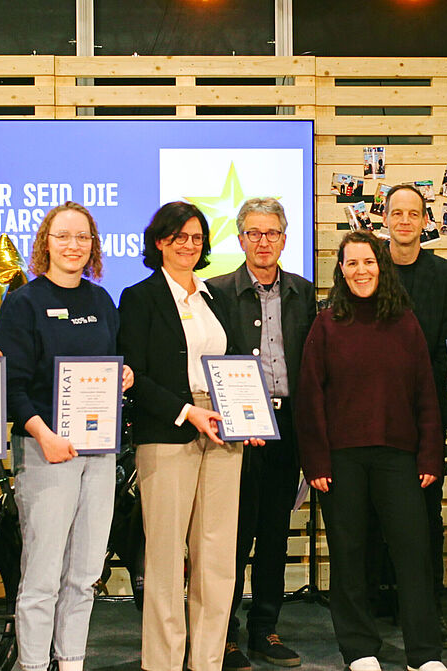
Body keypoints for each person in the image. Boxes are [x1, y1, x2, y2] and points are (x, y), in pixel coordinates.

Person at [119, 201, 262, 671]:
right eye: (179, 237)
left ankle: (207, 661)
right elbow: (134, 374)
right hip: (168, 431)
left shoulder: (214, 297)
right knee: (164, 557)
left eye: (197, 238)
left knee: (218, 555)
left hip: (221, 430)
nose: (189, 245)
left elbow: (235, 362)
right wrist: (186, 412)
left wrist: (247, 418)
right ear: (160, 241)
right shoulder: (139, 297)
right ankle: (162, 662)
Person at [297, 230, 447, 671]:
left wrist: (430, 455)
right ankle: (360, 649)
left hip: (398, 456)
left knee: (413, 553)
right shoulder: (326, 324)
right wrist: (316, 461)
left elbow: (426, 393)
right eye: (352, 263)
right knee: (349, 555)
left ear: (381, 267)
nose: (361, 271)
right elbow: (310, 397)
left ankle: (424, 653)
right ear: (341, 271)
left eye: (368, 262)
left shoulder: (405, 322)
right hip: (341, 460)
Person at [0, 202, 134, 671]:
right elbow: (12, 386)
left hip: (99, 453)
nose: (73, 245)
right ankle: (34, 665)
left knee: (85, 573)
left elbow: (113, 363)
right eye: (63, 237)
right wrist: (44, 435)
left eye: (82, 237)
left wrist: (125, 375)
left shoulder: (101, 302)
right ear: (45, 244)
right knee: (42, 575)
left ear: (93, 245)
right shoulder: (23, 303)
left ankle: (70, 661)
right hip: (45, 452)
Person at [206, 198, 317, 671]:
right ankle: (224, 635)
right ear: (240, 240)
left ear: (284, 240)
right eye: (254, 233)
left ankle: (264, 629)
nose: (263, 241)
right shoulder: (216, 292)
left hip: (287, 427)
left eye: (272, 233)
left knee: (274, 534)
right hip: (235, 429)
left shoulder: (303, 293)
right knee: (232, 536)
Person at [382, 183, 447, 647]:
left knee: (427, 514)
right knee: (377, 515)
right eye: (397, 213)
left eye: (414, 213)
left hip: (427, 414)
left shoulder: (446, 275)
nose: (405, 221)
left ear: (425, 221)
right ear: (385, 219)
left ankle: (429, 611)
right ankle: (383, 604)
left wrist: (413, 394)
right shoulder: (368, 266)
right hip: (374, 416)